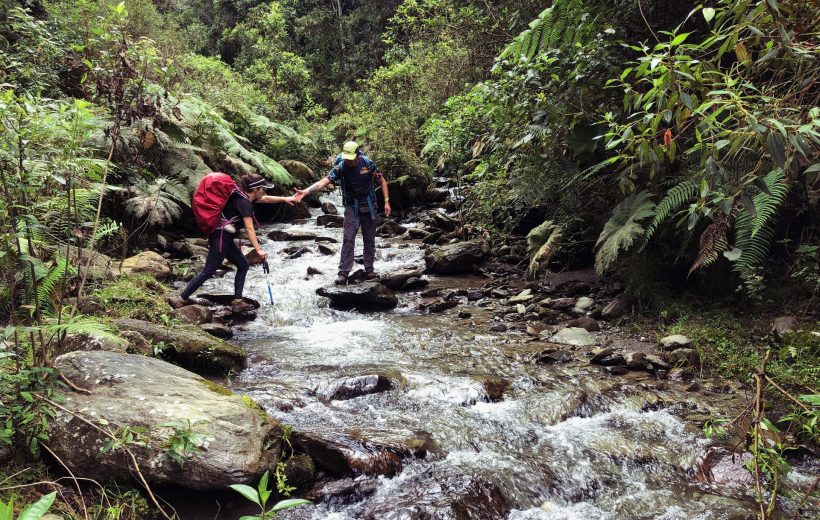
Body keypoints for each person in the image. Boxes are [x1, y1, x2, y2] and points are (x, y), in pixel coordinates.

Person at [171, 173, 296, 312]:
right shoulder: (244, 203)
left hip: (224, 237)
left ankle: (237, 302)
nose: (265, 191)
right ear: (255, 189)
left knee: (243, 265)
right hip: (220, 238)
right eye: (263, 189)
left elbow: (265, 199)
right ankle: (181, 298)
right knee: (209, 270)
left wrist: (285, 198)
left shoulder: (241, 197)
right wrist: (259, 250)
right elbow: (249, 229)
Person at [295, 141, 391, 285]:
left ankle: (369, 270)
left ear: (358, 155)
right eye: (346, 157)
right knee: (348, 238)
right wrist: (306, 192)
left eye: (350, 157)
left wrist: (387, 201)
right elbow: (323, 182)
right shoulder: (341, 167)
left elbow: (382, 181)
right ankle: (343, 272)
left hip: (369, 205)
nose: (348, 160)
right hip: (352, 207)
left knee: (369, 239)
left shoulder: (368, 163)